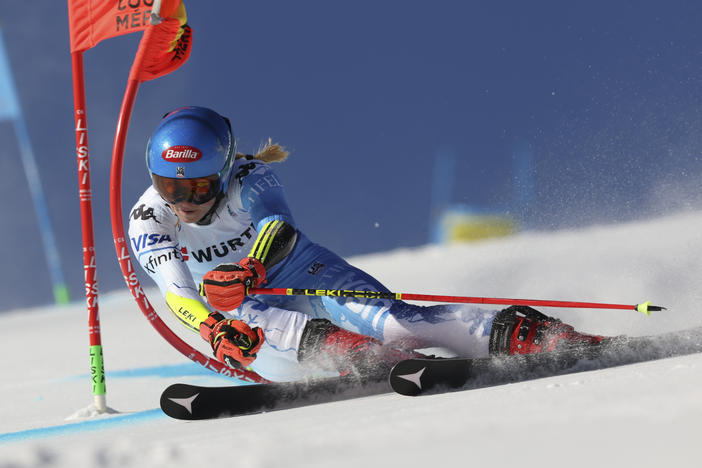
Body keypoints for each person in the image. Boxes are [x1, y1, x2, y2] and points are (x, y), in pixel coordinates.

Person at [128, 106, 606, 382]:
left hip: (297, 268)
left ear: (226, 169)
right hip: (244, 301)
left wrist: (252, 266)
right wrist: (213, 329)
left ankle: (531, 337)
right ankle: (353, 355)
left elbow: (279, 226)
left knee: (397, 322)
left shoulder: (250, 177)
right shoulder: (149, 219)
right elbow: (177, 293)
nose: (185, 201)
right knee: (243, 314)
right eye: (171, 187)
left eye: (199, 187)